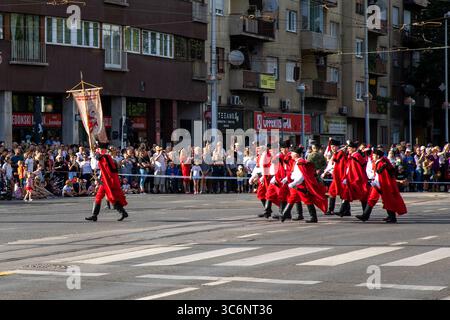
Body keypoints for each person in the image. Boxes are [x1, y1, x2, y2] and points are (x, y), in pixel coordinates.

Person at [356, 150, 407, 223]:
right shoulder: (379, 162)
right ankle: (365, 215)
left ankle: (392, 217)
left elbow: (383, 176)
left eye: (374, 155)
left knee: (387, 200)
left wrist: (376, 184)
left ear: (378, 156)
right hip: (378, 184)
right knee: (372, 199)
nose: (372, 156)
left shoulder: (381, 163)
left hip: (382, 185)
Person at [281, 147, 328, 223]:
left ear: (296, 154)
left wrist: (293, 183)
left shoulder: (301, 162)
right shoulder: (296, 162)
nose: (291, 154)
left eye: (292, 153)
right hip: (297, 184)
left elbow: (301, 176)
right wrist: (286, 179)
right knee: (292, 199)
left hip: (300, 185)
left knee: (307, 200)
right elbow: (294, 173)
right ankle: (284, 215)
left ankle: (313, 217)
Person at [85, 143, 129, 222]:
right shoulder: (106, 158)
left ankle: (123, 212)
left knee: (112, 198)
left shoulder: (108, 158)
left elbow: (99, 161)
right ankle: (94, 215)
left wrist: (95, 154)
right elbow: (97, 162)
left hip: (109, 182)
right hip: (105, 181)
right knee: (99, 197)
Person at [336, 141, 369, 217]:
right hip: (350, 178)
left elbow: (355, 169)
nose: (348, 149)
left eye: (349, 148)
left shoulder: (356, 156)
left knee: (362, 196)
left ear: (354, 149)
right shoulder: (352, 156)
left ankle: (365, 213)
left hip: (356, 179)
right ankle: (342, 211)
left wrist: (350, 178)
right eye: (348, 148)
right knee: (346, 194)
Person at [324, 139, 347, 216]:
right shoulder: (336, 154)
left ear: (337, 147)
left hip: (341, 176)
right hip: (336, 176)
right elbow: (331, 165)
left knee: (344, 193)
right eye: (331, 146)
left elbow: (341, 166)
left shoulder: (341, 154)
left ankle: (346, 210)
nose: (332, 148)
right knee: (331, 192)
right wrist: (326, 171)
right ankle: (331, 210)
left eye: (334, 146)